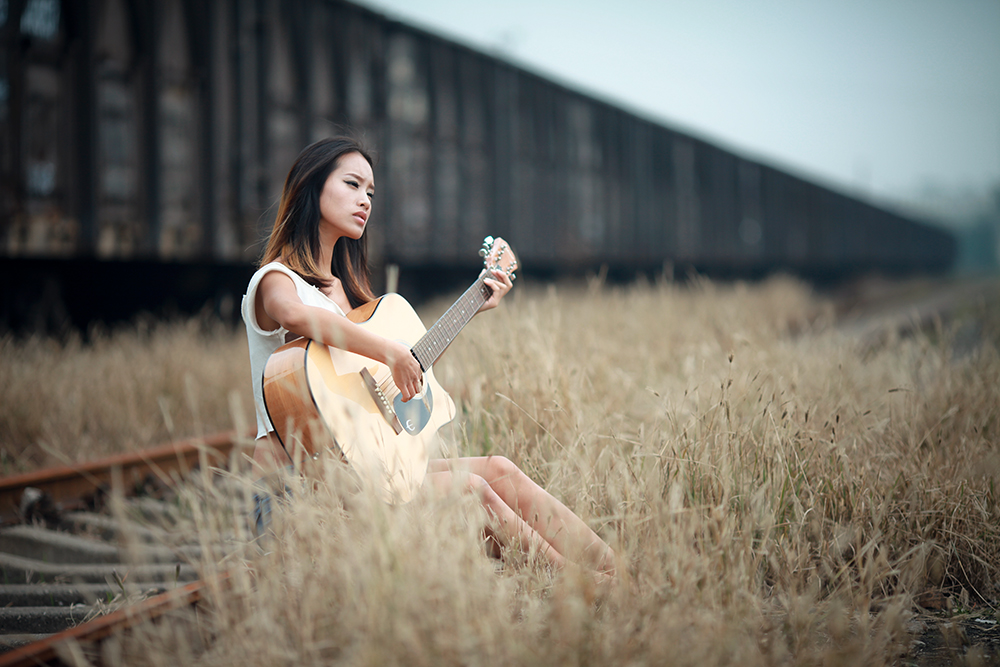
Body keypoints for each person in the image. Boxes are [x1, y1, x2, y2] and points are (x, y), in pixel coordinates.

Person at [241, 136, 616, 579]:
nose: (365, 200)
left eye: (371, 193)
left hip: (361, 478)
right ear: (311, 187)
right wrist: (391, 351)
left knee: (498, 469)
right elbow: (296, 316)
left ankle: (618, 571)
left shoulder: (349, 294)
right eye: (353, 184)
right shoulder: (275, 280)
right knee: (472, 488)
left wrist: (474, 304)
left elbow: (398, 375)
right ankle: (583, 588)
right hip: (298, 493)